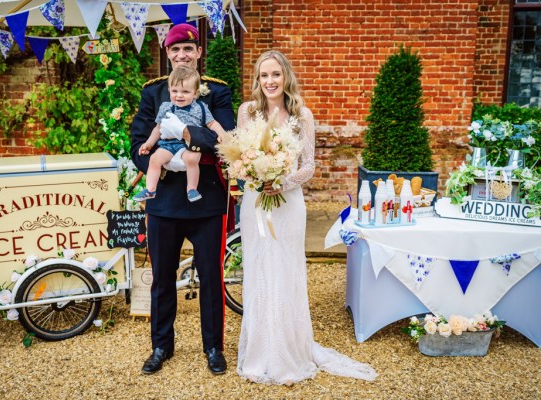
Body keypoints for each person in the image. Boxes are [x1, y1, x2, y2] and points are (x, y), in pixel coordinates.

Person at [236, 50, 378, 385]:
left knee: (286, 271)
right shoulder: (248, 112)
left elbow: (309, 166)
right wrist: (258, 178)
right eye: (263, 75)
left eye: (275, 74)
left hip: (288, 205)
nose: (269, 81)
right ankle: (259, 352)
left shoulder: (302, 115)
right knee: (258, 270)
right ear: (257, 79)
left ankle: (288, 353)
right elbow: (241, 158)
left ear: (286, 76)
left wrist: (281, 181)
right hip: (256, 202)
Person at [130, 23, 235, 375]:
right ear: (167, 53)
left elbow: (224, 140)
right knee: (162, 277)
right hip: (163, 201)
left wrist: (186, 133)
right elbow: (137, 143)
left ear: (198, 53)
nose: (181, 55)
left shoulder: (215, 92)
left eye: (188, 49)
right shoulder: (153, 93)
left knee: (210, 276)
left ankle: (213, 347)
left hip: (206, 200)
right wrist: (161, 164)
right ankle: (161, 345)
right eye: (175, 50)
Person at [134, 66, 227, 203]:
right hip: (168, 144)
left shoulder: (200, 108)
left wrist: (222, 133)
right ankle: (151, 189)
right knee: (155, 160)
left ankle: (192, 188)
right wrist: (149, 143)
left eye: (185, 91)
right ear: (169, 90)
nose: (179, 95)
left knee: (191, 159)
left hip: (190, 144)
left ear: (195, 93)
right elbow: (158, 128)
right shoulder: (165, 107)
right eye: (175, 91)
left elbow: (212, 123)